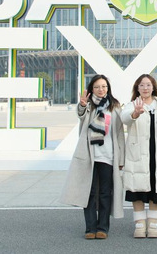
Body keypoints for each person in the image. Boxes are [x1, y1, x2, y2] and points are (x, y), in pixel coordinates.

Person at [61, 75, 125, 240]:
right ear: (92, 89)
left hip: (108, 156)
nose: (101, 90)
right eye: (97, 87)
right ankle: (90, 228)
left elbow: (119, 133)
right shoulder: (88, 105)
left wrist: (121, 159)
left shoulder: (114, 106)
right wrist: (82, 105)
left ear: (108, 88)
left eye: (104, 86)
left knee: (105, 193)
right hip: (89, 156)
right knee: (89, 193)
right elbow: (81, 115)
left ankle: (103, 227)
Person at [121, 74, 157, 238]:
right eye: (142, 85)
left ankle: (153, 224)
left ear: (153, 87)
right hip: (137, 155)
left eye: (148, 85)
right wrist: (135, 114)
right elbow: (125, 119)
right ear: (137, 88)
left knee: (156, 189)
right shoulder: (132, 105)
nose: (145, 88)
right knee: (136, 190)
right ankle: (139, 224)